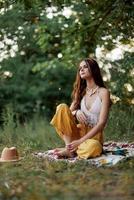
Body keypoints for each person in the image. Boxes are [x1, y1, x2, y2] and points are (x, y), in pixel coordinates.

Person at [50, 58, 112, 159]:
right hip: (78, 132)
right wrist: (76, 112)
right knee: (61, 107)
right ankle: (69, 148)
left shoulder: (103, 92)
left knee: (94, 147)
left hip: (93, 137)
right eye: (80, 68)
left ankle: (72, 149)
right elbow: (66, 115)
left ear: (93, 69)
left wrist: (80, 141)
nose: (81, 70)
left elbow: (102, 123)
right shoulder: (80, 92)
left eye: (85, 67)